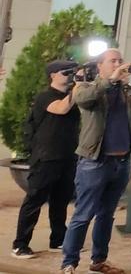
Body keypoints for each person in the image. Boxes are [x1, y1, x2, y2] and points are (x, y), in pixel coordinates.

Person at [62, 50, 131, 274]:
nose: (119, 64)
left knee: (107, 215)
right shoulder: (88, 87)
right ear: (100, 66)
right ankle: (69, 263)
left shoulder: (128, 90)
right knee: (83, 214)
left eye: (120, 60)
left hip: (121, 162)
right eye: (113, 61)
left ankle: (99, 261)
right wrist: (110, 80)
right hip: (94, 162)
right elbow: (84, 100)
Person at [12, 60, 80, 260]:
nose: (69, 76)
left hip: (67, 156)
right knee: (34, 201)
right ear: (52, 75)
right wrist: (77, 87)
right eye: (65, 72)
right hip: (46, 157)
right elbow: (60, 109)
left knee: (61, 201)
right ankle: (20, 244)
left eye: (72, 72)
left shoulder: (72, 96)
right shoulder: (45, 96)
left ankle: (58, 239)